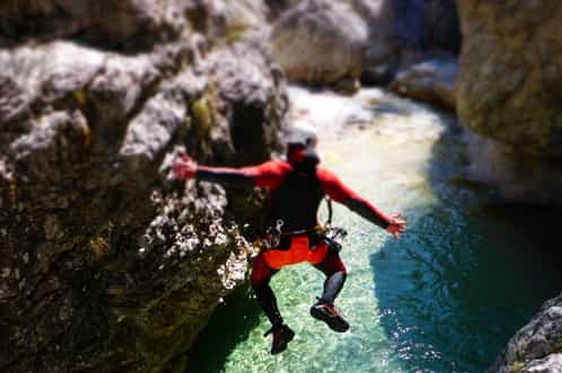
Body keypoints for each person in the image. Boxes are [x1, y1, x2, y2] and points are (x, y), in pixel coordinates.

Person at [171, 126, 407, 355]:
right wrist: (387, 223)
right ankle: (326, 303)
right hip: (311, 247)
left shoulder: (278, 171)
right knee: (337, 270)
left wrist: (196, 171)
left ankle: (279, 327)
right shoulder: (323, 177)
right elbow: (355, 203)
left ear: (290, 148)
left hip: (277, 250)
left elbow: (241, 177)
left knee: (260, 283)